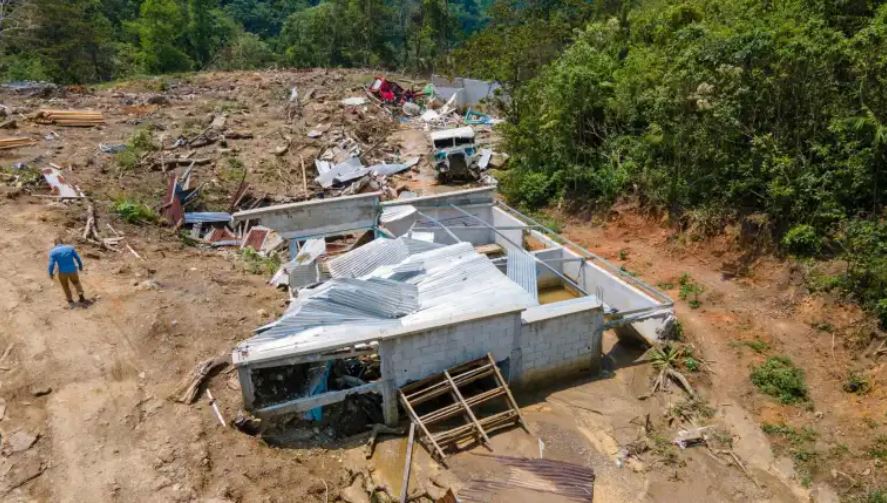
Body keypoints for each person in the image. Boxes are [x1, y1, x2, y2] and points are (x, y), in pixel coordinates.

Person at [48, 237, 86, 305]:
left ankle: (70, 300)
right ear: (62, 242)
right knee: (76, 282)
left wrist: (51, 273)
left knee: (65, 286)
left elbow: (51, 264)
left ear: (55, 244)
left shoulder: (53, 252)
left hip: (62, 272)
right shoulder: (70, 248)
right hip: (72, 270)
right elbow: (77, 258)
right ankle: (81, 297)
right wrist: (80, 266)